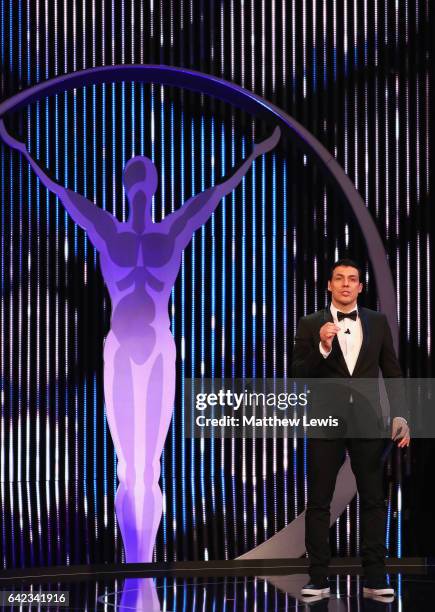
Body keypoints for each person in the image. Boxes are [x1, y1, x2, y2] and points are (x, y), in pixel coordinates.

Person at [0, 117, 281, 562]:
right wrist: (23, 150)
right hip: (120, 349)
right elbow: (58, 190)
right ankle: (135, 565)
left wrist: (252, 156)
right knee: (127, 467)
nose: (138, 187)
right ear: (129, 185)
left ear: (150, 186)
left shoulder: (170, 229)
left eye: (142, 179)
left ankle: (142, 564)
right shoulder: (108, 229)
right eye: (133, 179)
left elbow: (217, 194)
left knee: (148, 466)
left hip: (157, 350)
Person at [291, 258, 410, 599]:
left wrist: (401, 416)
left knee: (374, 498)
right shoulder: (311, 323)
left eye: (352, 279)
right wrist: (323, 346)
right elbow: (298, 373)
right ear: (329, 285)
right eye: (339, 279)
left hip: (369, 420)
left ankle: (375, 578)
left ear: (360, 286)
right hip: (325, 420)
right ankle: (318, 578)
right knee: (319, 501)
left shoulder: (377, 321)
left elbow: (393, 371)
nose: (345, 284)